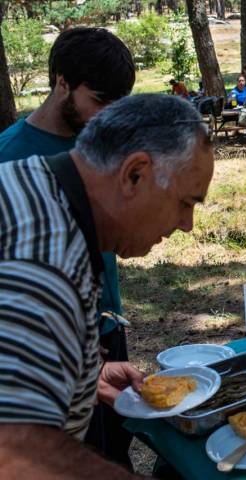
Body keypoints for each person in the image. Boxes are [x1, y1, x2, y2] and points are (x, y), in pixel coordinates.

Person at [0, 94, 214, 478]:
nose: (187, 224)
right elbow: (15, 455)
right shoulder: (46, 263)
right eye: (186, 202)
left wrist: (84, 372)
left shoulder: (31, 180)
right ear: (135, 174)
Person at [0, 26, 137, 464]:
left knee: (116, 450)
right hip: (46, 349)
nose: (107, 117)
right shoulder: (9, 157)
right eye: (99, 101)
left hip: (108, 330)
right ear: (62, 82)